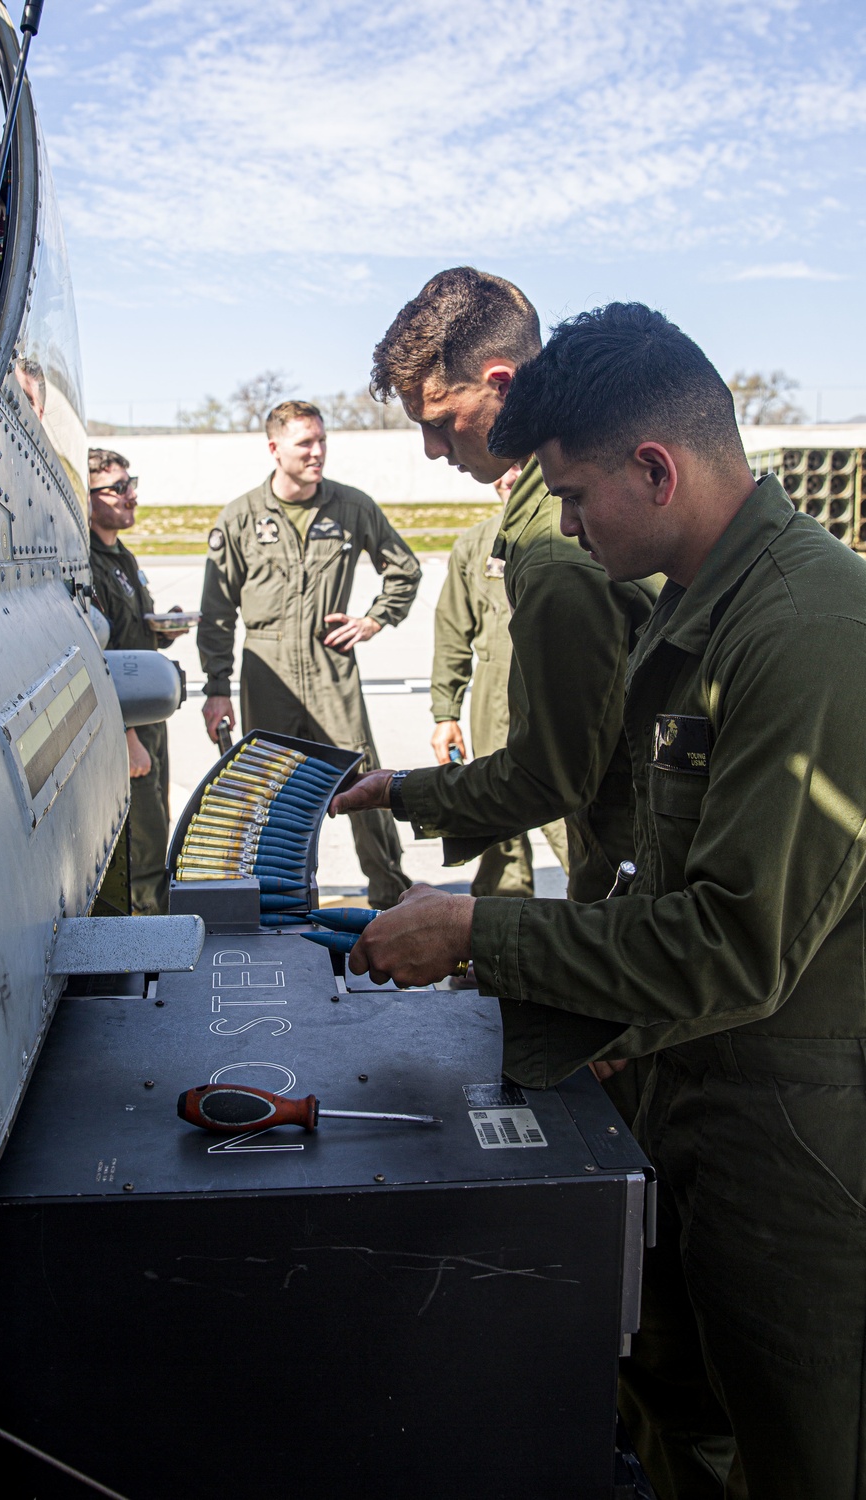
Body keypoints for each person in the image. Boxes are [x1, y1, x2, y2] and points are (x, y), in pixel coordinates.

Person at [344, 303, 866, 1500]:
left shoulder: (804, 629)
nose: (565, 527)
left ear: (654, 467)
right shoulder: (698, 604)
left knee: (800, 1444)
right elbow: (646, 861)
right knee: (676, 1405)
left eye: (575, 498)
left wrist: (481, 933)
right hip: (694, 1088)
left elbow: (737, 942)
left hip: (794, 1135)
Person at [339, 267, 658, 1122]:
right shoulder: (558, 515)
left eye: (442, 424)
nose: (436, 451)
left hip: (645, 902)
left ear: (502, 385)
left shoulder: (557, 547)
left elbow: (555, 777)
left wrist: (406, 792)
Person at [196, 400, 420, 909]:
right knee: (268, 796)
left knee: (364, 786)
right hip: (265, 669)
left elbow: (403, 569)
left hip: (330, 669)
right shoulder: (240, 518)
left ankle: (392, 898)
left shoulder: (352, 507)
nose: (318, 452)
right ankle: (279, 903)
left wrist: (375, 618)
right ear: (275, 449)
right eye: (305, 443)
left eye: (322, 440)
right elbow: (216, 614)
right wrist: (216, 688)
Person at [430, 461, 569, 902]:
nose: (508, 478)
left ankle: (602, 917)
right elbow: (453, 631)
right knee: (497, 821)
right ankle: (498, 941)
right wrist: (445, 713)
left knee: (572, 819)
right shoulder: (475, 546)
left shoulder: (572, 531)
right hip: (493, 700)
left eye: (519, 467)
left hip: (557, 696)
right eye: (501, 469)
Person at [88, 448, 187, 915]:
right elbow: (95, 659)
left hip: (146, 718)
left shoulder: (119, 556)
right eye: (118, 488)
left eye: (131, 484)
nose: (132, 496)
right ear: (87, 498)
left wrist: (159, 630)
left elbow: (127, 635)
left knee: (157, 832)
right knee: (143, 849)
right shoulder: (87, 563)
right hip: (124, 725)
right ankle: (151, 961)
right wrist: (126, 736)